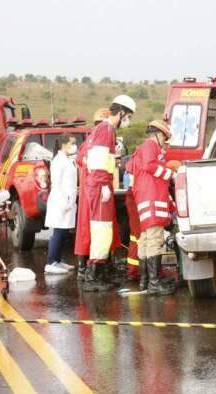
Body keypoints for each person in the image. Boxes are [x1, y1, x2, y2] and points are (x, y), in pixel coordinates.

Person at [81, 95, 136, 291]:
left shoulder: (101, 130)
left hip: (96, 185)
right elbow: (97, 160)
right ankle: (94, 276)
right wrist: (103, 183)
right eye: (128, 116)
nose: (128, 121)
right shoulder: (106, 130)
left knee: (101, 231)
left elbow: (87, 158)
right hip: (99, 186)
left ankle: (98, 274)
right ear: (120, 113)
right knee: (102, 232)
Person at [128, 120, 180, 295]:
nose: (165, 144)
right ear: (159, 134)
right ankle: (154, 283)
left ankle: (145, 281)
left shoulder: (141, 150)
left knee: (145, 240)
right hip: (152, 199)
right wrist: (171, 174)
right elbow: (150, 166)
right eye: (165, 139)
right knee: (155, 240)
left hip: (145, 198)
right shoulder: (150, 146)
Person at [74, 108, 110, 281]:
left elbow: (79, 159)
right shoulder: (101, 138)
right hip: (96, 188)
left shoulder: (88, 141)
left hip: (87, 190)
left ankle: (84, 267)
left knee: (85, 229)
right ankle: (95, 270)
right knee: (99, 230)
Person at [44, 133, 78, 274]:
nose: (74, 145)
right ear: (64, 144)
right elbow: (57, 183)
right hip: (61, 201)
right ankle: (51, 263)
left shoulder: (68, 159)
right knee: (58, 232)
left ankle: (58, 261)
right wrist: (64, 201)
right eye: (72, 143)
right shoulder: (58, 161)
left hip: (68, 200)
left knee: (63, 232)